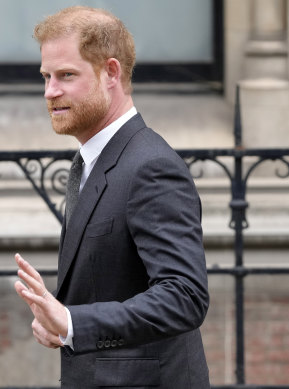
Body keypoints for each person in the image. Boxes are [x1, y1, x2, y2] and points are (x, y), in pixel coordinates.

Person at [14, 6, 210, 388]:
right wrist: (61, 324)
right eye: (46, 77)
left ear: (111, 73)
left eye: (67, 75)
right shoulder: (91, 161)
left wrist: (73, 323)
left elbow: (184, 297)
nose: (50, 92)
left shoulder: (151, 166)